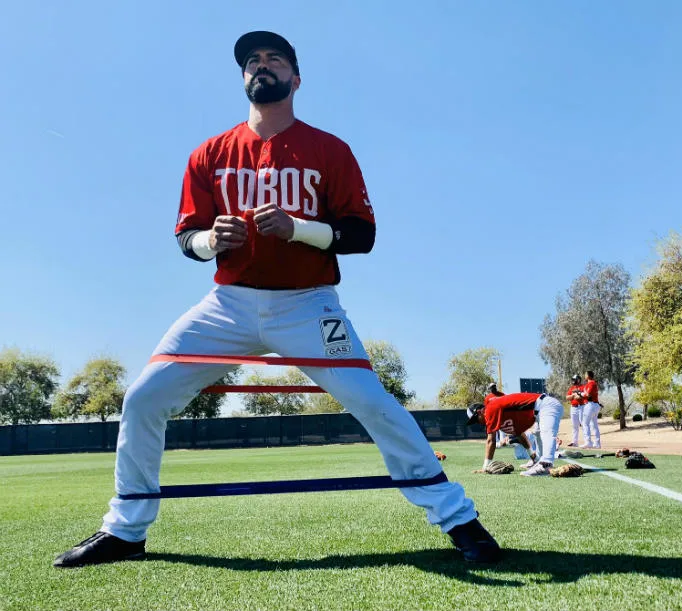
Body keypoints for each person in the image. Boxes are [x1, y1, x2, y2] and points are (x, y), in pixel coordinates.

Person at [53, 31, 499, 568]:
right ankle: (126, 530)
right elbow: (184, 238)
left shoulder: (330, 149)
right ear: (243, 78)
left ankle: (460, 520)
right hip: (228, 304)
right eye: (252, 61)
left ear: (296, 77)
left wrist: (298, 229)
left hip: (308, 303)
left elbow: (362, 235)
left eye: (274, 59)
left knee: (374, 404)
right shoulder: (208, 153)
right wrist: (209, 242)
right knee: (144, 397)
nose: (261, 66)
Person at [465, 392, 563, 476]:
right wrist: (533, 456)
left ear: (480, 412)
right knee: (538, 434)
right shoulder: (500, 415)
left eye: (476, 420)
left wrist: (485, 467)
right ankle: (538, 461)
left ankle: (546, 464)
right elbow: (519, 434)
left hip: (545, 405)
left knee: (546, 433)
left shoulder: (489, 409)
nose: (478, 423)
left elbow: (491, 440)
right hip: (539, 410)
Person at [580, 371, 602, 449]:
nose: (584, 376)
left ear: (588, 376)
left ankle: (588, 442)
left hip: (590, 404)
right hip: (594, 405)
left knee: (585, 423)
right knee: (594, 425)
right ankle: (597, 443)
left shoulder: (591, 383)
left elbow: (588, 394)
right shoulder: (591, 384)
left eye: (585, 374)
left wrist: (580, 395)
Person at [566, 374, 586, 447]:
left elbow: (584, 396)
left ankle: (586, 441)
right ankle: (574, 442)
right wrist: (573, 396)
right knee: (574, 425)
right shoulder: (572, 388)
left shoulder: (583, 387)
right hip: (573, 407)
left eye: (574, 380)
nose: (573, 381)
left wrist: (578, 396)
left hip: (581, 407)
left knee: (583, 424)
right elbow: (567, 397)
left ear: (578, 380)